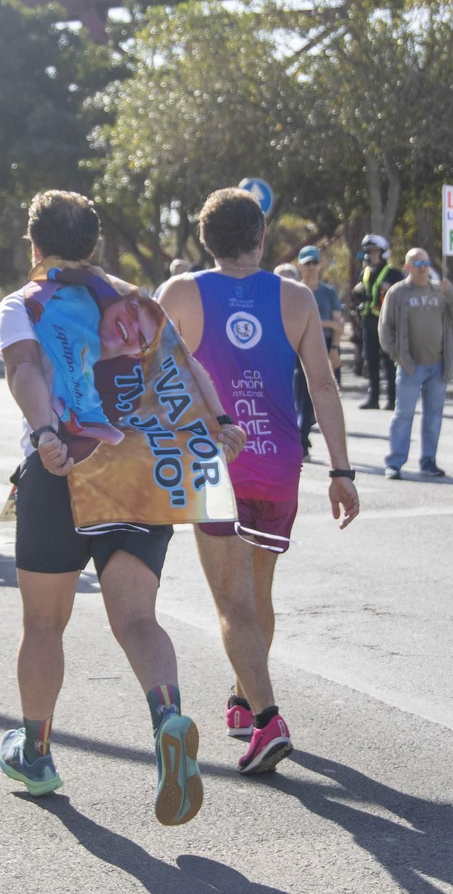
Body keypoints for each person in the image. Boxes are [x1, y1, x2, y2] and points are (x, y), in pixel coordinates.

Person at [0, 190, 229, 824]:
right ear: (95, 246)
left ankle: (36, 754)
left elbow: (24, 372)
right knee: (137, 619)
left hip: (63, 468)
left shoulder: (23, 304)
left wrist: (46, 434)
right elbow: (181, 368)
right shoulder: (138, 303)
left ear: (34, 245)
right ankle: (168, 717)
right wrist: (218, 422)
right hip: (141, 472)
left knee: (44, 625)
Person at [160, 188, 359, 773]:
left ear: (205, 240)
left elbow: (145, 371)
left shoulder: (180, 293)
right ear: (262, 237)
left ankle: (268, 720)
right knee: (258, 593)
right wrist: (342, 471)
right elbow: (323, 387)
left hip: (210, 459)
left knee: (231, 602)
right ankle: (243, 701)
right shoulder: (296, 298)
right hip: (278, 460)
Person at [379, 248, 453, 480]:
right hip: (410, 366)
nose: (423, 266)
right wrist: (398, 356)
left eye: (426, 262)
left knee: (433, 416)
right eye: (417, 263)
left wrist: (452, 295)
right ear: (407, 267)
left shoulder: (441, 290)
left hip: (439, 365)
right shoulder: (398, 292)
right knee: (403, 415)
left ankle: (428, 461)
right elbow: (385, 328)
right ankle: (395, 463)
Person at [294, 246, 344, 455]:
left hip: (328, 349)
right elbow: (296, 324)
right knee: (304, 400)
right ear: (300, 266)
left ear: (320, 265)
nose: (311, 267)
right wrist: (326, 323)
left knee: (328, 399)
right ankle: (302, 443)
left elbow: (339, 325)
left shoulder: (328, 292)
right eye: (307, 263)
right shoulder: (295, 292)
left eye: (315, 263)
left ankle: (306, 435)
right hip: (301, 352)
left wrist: (333, 350)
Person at [351, 234, 402, 409]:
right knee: (370, 360)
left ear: (383, 253)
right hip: (368, 322)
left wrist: (390, 288)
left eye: (375, 252)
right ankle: (373, 398)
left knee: (388, 361)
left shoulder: (394, 273)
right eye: (369, 252)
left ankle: (392, 399)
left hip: (387, 322)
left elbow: (402, 295)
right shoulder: (364, 273)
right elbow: (358, 297)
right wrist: (356, 291)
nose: (372, 255)